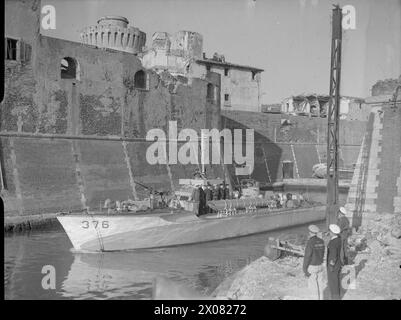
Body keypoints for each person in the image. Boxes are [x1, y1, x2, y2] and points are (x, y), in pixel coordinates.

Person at [303, 225, 325, 300]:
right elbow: (322, 253)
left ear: (310, 232)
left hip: (312, 266)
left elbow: (307, 256)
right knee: (320, 285)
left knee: (313, 288)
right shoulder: (322, 241)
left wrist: (304, 269)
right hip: (320, 265)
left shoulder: (310, 242)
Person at [326, 224, 342, 300]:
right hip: (338, 264)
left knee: (333, 283)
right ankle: (337, 297)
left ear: (332, 232)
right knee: (336, 282)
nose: (329, 232)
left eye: (329, 231)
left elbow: (333, 256)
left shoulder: (332, 242)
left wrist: (331, 266)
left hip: (333, 266)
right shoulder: (339, 239)